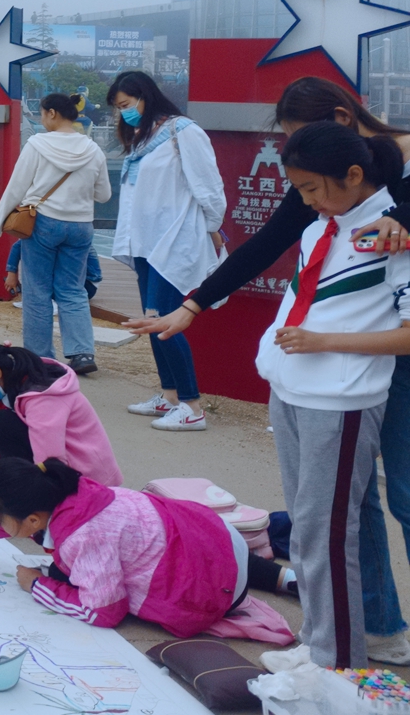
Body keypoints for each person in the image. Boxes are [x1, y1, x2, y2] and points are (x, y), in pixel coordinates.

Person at [126, 79, 410, 665]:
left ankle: (342, 649)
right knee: (335, 514)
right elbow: (266, 245)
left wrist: (402, 219)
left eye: (301, 145)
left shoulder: (373, 194)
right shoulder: (324, 205)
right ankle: (371, 628)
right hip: (324, 375)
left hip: (377, 361)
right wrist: (193, 305)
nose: (305, 198)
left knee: (400, 497)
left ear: (340, 124)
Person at [244, 123, 410, 672]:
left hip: (341, 400)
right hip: (292, 388)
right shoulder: (323, 227)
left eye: (313, 188)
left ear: (354, 175)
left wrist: (324, 342)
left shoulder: (394, 235)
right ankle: (319, 640)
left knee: (328, 536)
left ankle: (335, 662)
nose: (307, 201)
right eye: (300, 190)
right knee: (308, 528)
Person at [0, 457, 296, 644]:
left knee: (71, 580)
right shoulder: (61, 492)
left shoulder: (85, 535)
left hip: (210, 585)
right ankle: (286, 578)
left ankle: (273, 583)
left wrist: (36, 585)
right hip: (215, 538)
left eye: (0, 516)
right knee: (73, 569)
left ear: (31, 521)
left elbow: (104, 611)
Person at [104, 70, 224, 432]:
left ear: (145, 96)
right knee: (151, 321)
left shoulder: (182, 132)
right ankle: (170, 396)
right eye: (118, 107)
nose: (123, 112)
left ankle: (192, 406)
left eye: (126, 104)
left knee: (165, 323)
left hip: (172, 241)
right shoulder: (141, 138)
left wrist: (213, 227)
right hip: (144, 243)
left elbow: (208, 186)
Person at [0, 92, 111, 377]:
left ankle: (40, 357)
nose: (42, 120)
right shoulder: (93, 149)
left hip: (42, 223)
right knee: (73, 289)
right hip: (81, 226)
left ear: (52, 113)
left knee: (37, 291)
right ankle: (82, 353)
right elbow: (104, 194)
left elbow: (16, 188)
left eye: (42, 114)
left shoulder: (37, 144)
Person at [0, 336, 121, 486]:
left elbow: (50, 461)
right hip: (51, 458)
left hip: (81, 476)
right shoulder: (8, 374)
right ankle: (4, 478)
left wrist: (29, 500)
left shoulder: (42, 396)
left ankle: (18, 486)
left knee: (0, 423)